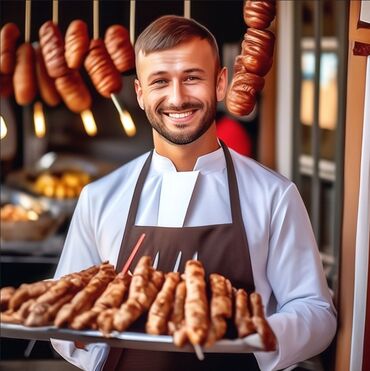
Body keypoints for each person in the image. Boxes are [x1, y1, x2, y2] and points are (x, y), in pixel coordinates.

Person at [51, 15, 336, 371]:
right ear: (140, 94)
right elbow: (61, 310)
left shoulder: (273, 195)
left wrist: (246, 339)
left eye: (192, 78)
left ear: (220, 84)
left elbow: (316, 313)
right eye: (160, 81)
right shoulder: (100, 198)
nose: (177, 97)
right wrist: (93, 346)